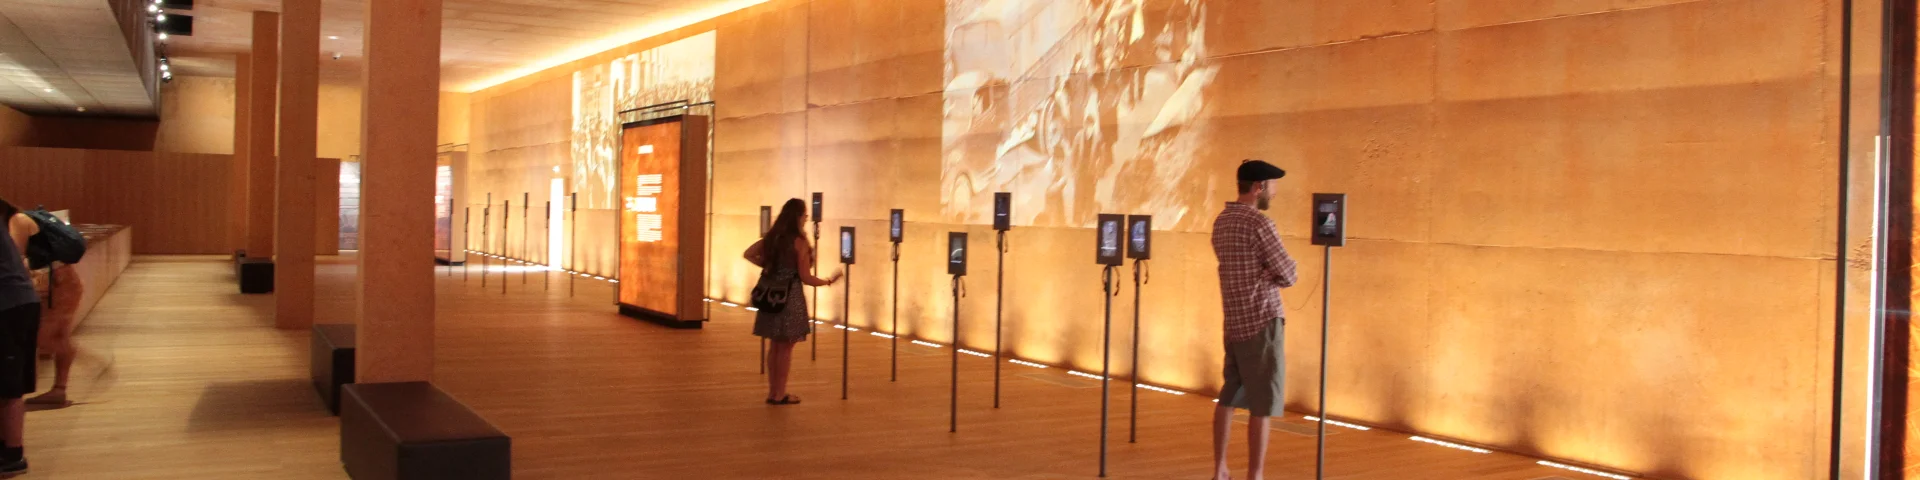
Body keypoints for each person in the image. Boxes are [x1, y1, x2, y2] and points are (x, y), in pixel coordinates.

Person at [1208, 161, 1297, 480]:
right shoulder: (1260, 224)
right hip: (1262, 321)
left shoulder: (1222, 221)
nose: (1274, 192)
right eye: (1272, 186)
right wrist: (1266, 274)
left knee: (1229, 395)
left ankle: (1219, 469)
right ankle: (1255, 475)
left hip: (1233, 321)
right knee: (1263, 404)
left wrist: (1261, 272)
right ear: (1258, 187)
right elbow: (1288, 273)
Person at [744, 198, 841, 406]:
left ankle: (773, 392)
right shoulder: (799, 242)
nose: (806, 218)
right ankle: (780, 394)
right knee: (786, 347)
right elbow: (805, 277)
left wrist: (768, 266)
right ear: (798, 217)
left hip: (771, 296)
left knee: (774, 346)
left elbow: (749, 253)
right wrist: (828, 282)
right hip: (790, 298)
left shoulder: (773, 237)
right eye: (805, 215)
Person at [0, 199, 38, 476]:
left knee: (8, 386)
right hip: (18, 303)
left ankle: (13, 455)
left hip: (9, 306)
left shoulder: (17, 221)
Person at [26, 253, 80, 407]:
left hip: (52, 284)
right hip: (60, 281)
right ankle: (59, 390)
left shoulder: (19, 227)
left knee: (40, 336)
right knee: (58, 335)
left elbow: (16, 253)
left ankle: (91, 362)